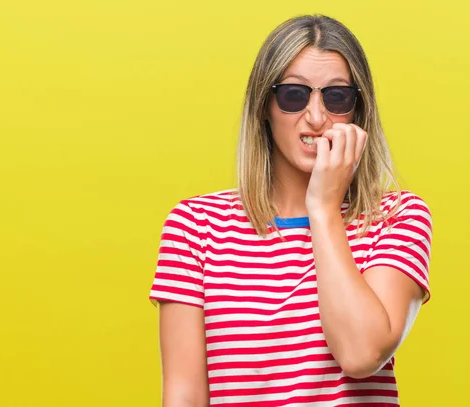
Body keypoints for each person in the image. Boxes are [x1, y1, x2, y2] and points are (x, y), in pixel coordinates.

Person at [148, 14, 432, 407]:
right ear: (264, 106)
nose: (316, 118)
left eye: (336, 97)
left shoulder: (397, 217)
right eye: (294, 95)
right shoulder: (196, 226)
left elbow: (361, 354)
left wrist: (323, 207)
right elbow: (184, 394)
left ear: (357, 110)